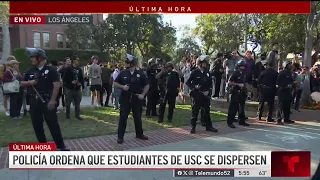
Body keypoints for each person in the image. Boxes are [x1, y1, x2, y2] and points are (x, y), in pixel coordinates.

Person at [21, 47, 69, 151]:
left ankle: (61, 146)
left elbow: (56, 85)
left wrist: (53, 100)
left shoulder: (51, 70)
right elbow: (21, 83)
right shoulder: (30, 71)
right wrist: (30, 83)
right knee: (37, 125)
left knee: (53, 124)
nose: (32, 59)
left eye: (34, 57)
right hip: (34, 101)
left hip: (47, 100)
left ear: (41, 58)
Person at [113, 54, 149, 144]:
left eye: (127, 63)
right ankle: (120, 137)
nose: (126, 64)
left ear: (133, 63)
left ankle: (139, 134)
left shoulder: (140, 74)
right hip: (125, 99)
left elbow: (147, 85)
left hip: (137, 99)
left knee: (137, 117)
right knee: (123, 118)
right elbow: (115, 83)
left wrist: (143, 94)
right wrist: (122, 86)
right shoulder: (123, 73)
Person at [186, 55, 218, 134]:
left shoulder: (207, 72)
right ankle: (193, 127)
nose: (206, 64)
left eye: (206, 63)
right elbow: (188, 82)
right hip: (197, 94)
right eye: (204, 62)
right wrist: (194, 87)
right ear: (200, 63)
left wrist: (208, 91)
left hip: (206, 95)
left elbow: (211, 84)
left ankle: (209, 126)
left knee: (207, 111)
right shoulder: (195, 72)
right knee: (195, 111)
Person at [226, 60, 250, 128]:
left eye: (243, 66)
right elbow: (229, 82)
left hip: (242, 92)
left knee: (241, 107)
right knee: (233, 107)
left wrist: (246, 88)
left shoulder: (245, 74)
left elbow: (245, 82)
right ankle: (230, 122)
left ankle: (241, 121)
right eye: (241, 66)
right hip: (235, 91)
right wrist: (238, 84)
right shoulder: (235, 73)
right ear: (238, 66)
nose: (243, 67)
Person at [62, 56, 84, 120]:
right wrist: (71, 82)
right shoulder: (68, 68)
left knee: (77, 103)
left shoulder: (79, 69)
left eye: (78, 60)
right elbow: (64, 79)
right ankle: (67, 116)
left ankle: (77, 116)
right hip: (69, 89)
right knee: (68, 103)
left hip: (77, 89)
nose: (78, 61)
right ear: (74, 61)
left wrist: (81, 83)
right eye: (77, 60)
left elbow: (81, 78)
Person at [276, 60, 295, 125]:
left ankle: (286, 119)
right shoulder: (282, 73)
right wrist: (285, 85)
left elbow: (291, 81)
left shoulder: (290, 73)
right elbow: (278, 82)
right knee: (280, 105)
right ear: (286, 65)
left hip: (288, 91)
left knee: (287, 105)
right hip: (282, 91)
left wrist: (292, 84)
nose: (291, 66)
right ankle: (278, 119)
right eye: (289, 64)